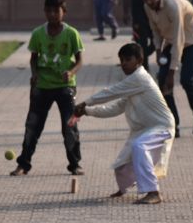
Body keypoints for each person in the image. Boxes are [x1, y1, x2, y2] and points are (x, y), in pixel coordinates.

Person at [74, 43, 175, 205]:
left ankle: (153, 192)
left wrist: (85, 102)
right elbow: (113, 108)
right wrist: (87, 111)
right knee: (120, 165)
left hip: (162, 126)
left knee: (139, 147)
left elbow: (110, 92)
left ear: (140, 61)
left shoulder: (139, 78)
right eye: (121, 60)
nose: (124, 63)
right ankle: (123, 189)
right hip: (144, 130)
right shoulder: (131, 85)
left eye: (128, 59)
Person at [10, 0, 84, 177]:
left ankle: (75, 164)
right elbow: (33, 59)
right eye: (48, 11)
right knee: (32, 126)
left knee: (69, 126)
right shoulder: (37, 34)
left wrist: (71, 72)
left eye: (56, 11)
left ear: (63, 12)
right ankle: (23, 164)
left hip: (65, 87)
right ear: (44, 11)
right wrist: (34, 74)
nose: (52, 14)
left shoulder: (71, 33)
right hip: (42, 86)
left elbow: (80, 60)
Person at [142, 0, 193, 137]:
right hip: (171, 41)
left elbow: (180, 38)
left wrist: (172, 71)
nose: (149, 1)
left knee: (186, 79)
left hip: (191, 41)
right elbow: (155, 30)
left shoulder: (173, 5)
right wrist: (158, 50)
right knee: (162, 82)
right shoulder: (147, 7)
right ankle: (173, 124)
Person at [123, 0, 166, 70]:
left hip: (154, 15)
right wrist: (125, 12)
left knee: (155, 41)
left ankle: (144, 56)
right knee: (141, 41)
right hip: (138, 14)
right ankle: (145, 67)